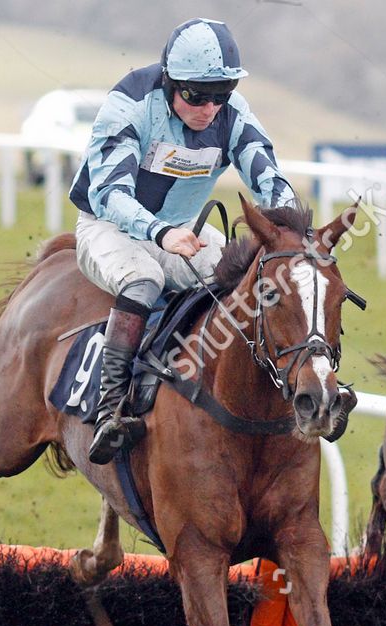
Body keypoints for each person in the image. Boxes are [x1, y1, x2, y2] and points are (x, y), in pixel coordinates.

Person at [70, 17, 297, 463]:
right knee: (144, 280)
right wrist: (161, 232)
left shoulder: (232, 114)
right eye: (197, 96)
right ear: (171, 83)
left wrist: (294, 232)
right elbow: (110, 193)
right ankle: (111, 408)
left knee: (249, 279)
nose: (209, 109)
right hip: (108, 226)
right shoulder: (130, 103)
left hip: (183, 228)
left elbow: (268, 176)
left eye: (221, 95)